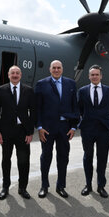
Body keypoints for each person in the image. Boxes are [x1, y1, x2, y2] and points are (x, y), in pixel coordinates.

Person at [34, 60, 79, 198]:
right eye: (54, 68)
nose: (56, 70)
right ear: (50, 69)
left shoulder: (71, 84)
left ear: (62, 69)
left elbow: (75, 107)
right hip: (47, 128)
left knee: (63, 157)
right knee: (46, 157)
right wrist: (39, 127)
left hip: (65, 127)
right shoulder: (41, 84)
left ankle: (61, 186)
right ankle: (44, 186)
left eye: (59, 68)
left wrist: (73, 127)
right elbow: (37, 108)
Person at [0, 66, 37, 200]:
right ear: (8, 75)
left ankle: (22, 187)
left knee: (23, 161)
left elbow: (33, 112)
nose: (15, 75)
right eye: (12, 73)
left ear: (21, 75)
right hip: (6, 132)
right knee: (6, 160)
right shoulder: (1, 90)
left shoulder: (28, 90)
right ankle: (5, 187)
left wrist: (30, 132)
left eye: (17, 73)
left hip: (22, 131)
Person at [77, 65, 109, 198]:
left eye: (97, 74)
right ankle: (88, 185)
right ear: (89, 76)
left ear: (101, 76)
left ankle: (101, 186)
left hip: (104, 129)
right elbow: (80, 109)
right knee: (88, 157)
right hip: (88, 129)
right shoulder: (82, 91)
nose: (94, 77)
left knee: (102, 158)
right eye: (92, 75)